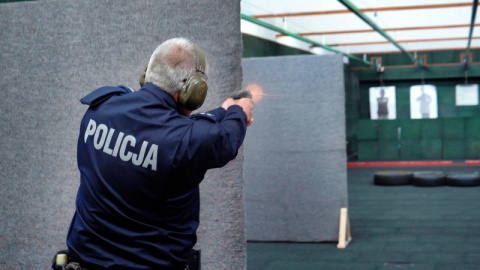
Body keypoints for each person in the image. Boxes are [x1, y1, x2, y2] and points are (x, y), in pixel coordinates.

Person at [64, 37, 253, 269]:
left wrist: (224, 110)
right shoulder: (189, 140)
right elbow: (225, 140)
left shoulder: (100, 109)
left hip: (84, 260)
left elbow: (173, 131)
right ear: (192, 91)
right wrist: (238, 111)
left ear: (148, 73)